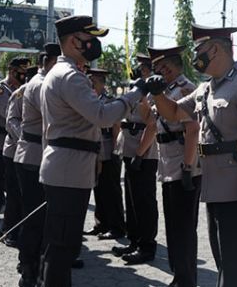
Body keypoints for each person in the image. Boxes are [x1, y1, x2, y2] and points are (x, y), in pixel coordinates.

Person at [152, 24, 237, 287]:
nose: (196, 56)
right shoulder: (207, 88)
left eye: (200, 50)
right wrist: (157, 93)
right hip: (214, 188)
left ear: (215, 49)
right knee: (223, 261)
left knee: (236, 263)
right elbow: (173, 113)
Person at [39, 15, 150, 286]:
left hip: (68, 165)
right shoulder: (70, 76)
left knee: (61, 244)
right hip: (69, 168)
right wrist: (136, 93)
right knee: (62, 246)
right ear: (75, 41)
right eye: (91, 39)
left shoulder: (66, 73)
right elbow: (101, 115)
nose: (95, 45)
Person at [148, 46, 202, 287]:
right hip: (169, 165)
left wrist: (188, 168)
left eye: (159, 68)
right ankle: (179, 275)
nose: (157, 72)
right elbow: (150, 119)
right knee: (173, 225)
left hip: (183, 166)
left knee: (183, 228)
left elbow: (192, 130)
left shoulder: (185, 89)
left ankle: (186, 278)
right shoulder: (166, 91)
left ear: (168, 67)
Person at [13, 43, 60, 287]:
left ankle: (34, 264)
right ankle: (30, 268)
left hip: (34, 155)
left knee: (38, 215)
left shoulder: (42, 82)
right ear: (51, 61)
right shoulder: (42, 85)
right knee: (36, 216)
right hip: (36, 157)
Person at [110, 54, 160, 265]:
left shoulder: (155, 92)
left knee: (144, 200)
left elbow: (152, 124)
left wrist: (140, 154)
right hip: (129, 148)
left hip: (144, 150)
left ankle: (146, 245)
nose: (138, 72)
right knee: (131, 200)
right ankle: (134, 240)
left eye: (142, 69)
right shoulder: (136, 89)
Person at [0, 57, 30, 240]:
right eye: (20, 72)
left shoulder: (19, 90)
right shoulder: (0, 90)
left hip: (12, 146)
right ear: (11, 71)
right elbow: (11, 114)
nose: (23, 76)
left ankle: (11, 225)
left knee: (13, 188)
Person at [84, 68, 126, 241]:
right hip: (94, 148)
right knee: (98, 188)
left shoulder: (109, 101)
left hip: (108, 148)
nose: (91, 86)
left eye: (93, 82)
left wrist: (116, 150)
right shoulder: (88, 101)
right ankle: (101, 223)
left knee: (111, 189)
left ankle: (116, 226)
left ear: (102, 83)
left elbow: (116, 126)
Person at [3, 66, 39, 247]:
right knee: (15, 195)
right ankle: (11, 232)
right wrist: (24, 137)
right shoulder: (20, 93)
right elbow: (11, 120)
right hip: (17, 150)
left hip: (38, 152)